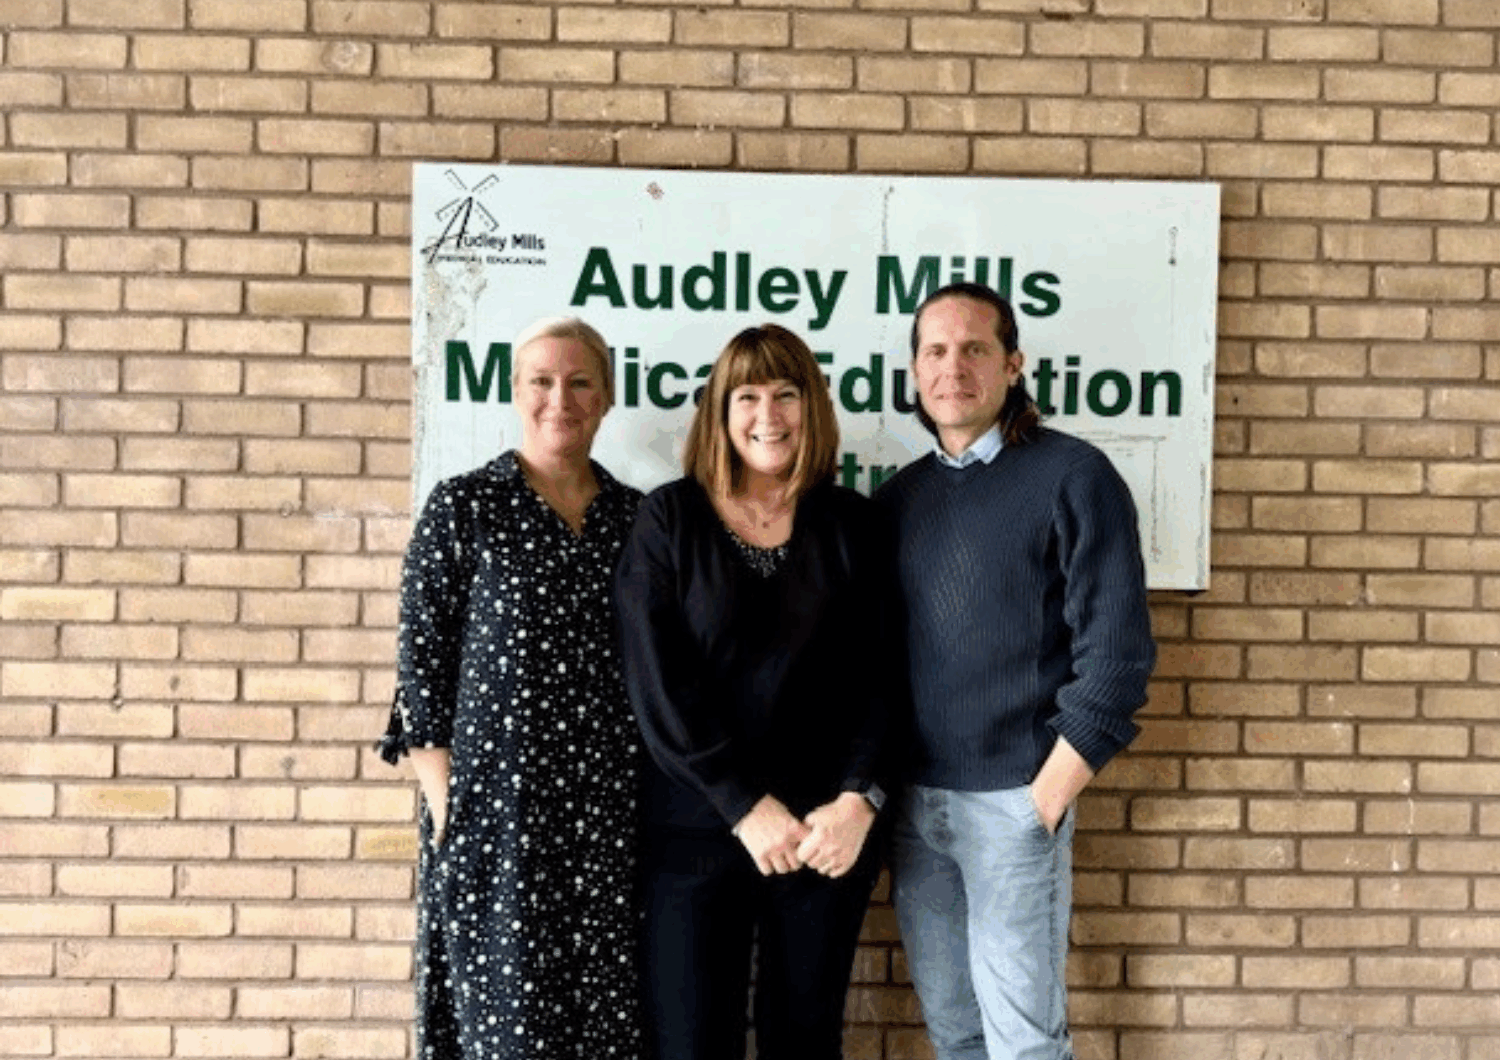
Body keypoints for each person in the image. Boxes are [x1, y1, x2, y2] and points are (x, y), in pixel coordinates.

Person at [875, 283, 1156, 1060]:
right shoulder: (902, 500)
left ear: (1013, 364)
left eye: (974, 349)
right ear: (914, 369)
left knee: (1025, 1044)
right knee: (957, 1036)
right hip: (916, 812)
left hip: (1013, 807)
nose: (952, 367)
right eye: (935, 350)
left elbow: (1118, 656)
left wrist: (1045, 799)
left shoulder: (1074, 476)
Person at [615, 324, 895, 1060]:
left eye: (785, 393)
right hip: (697, 830)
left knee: (803, 1043)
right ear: (719, 411)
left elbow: (883, 679)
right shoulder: (668, 519)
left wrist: (859, 797)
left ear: (813, 408)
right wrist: (741, 803)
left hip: (825, 837)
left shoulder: (855, 525)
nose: (767, 415)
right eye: (747, 395)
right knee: (689, 1042)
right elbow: (657, 686)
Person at [378, 316, 646, 1060]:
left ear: (606, 397)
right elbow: (421, 667)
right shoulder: (465, 508)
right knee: (506, 1029)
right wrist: (446, 805)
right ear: (515, 391)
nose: (559, 397)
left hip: (606, 821)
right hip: (497, 820)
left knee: (604, 1027)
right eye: (541, 380)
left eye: (579, 380)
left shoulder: (638, 518)